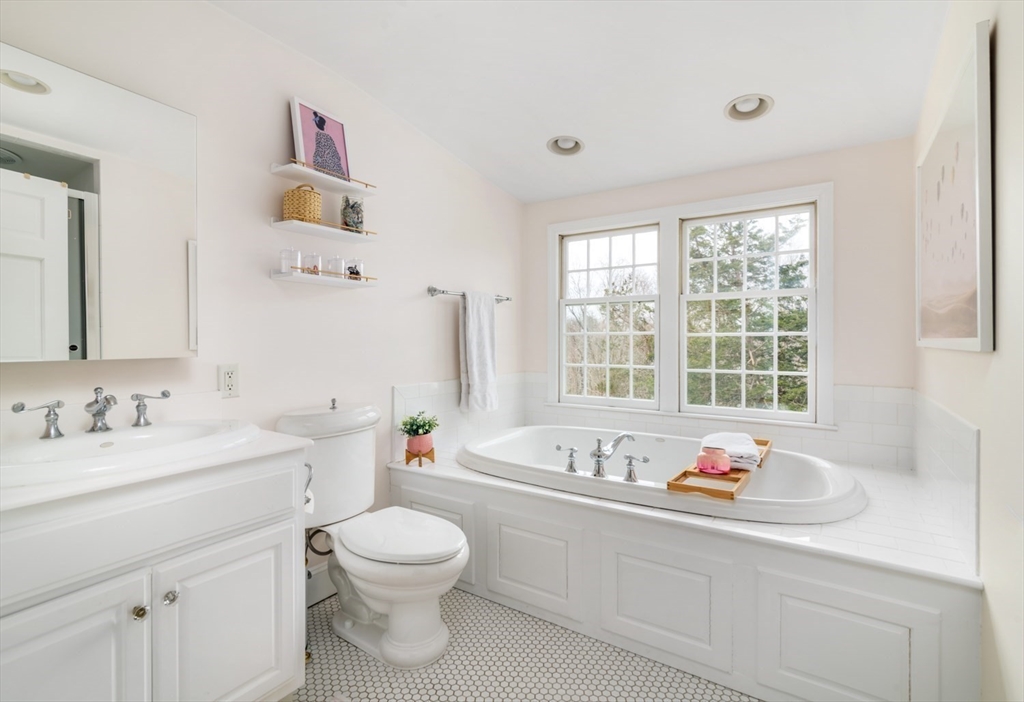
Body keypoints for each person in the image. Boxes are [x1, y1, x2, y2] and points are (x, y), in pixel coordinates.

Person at [311, 111, 346, 178]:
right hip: (332, 165)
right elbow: (335, 154)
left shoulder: (319, 136)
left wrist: (317, 159)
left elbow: (319, 152)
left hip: (327, 164)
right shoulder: (326, 137)